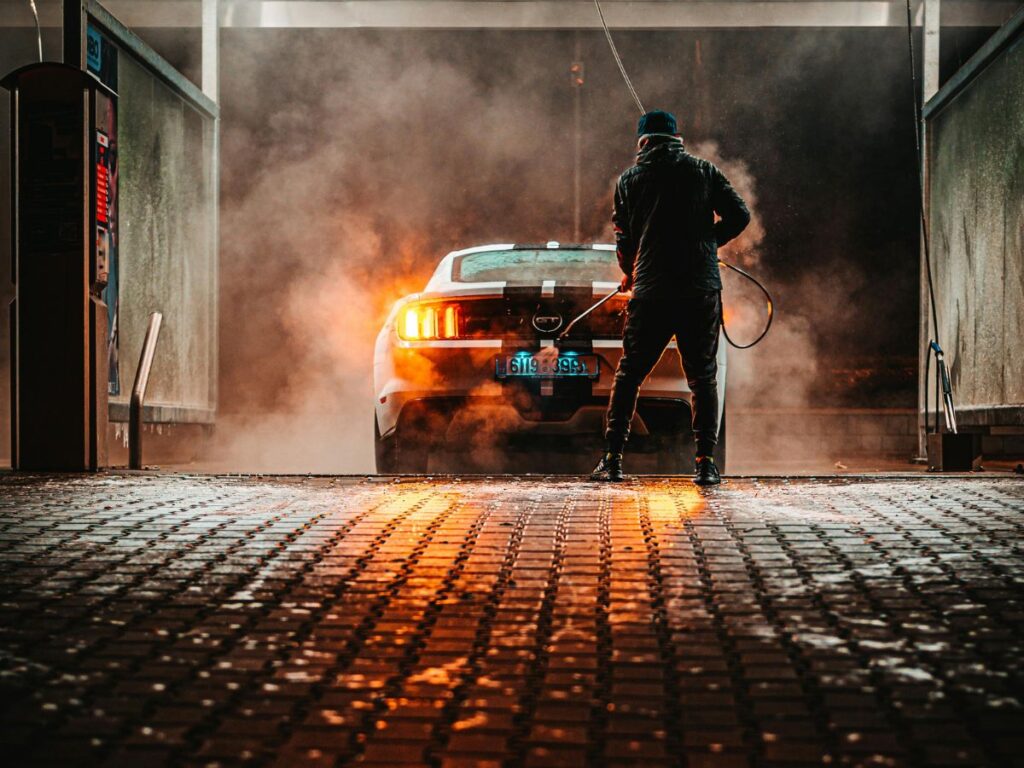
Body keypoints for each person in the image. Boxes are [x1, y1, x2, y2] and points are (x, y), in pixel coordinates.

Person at [591, 109, 750, 485]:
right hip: (700, 290)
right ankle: (705, 464)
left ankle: (612, 461)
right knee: (703, 377)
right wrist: (708, 241)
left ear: (643, 142)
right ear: (677, 138)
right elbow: (740, 215)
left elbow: (624, 238)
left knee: (629, 375)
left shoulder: (629, 180)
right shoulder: (704, 171)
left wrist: (631, 271)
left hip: (652, 291)